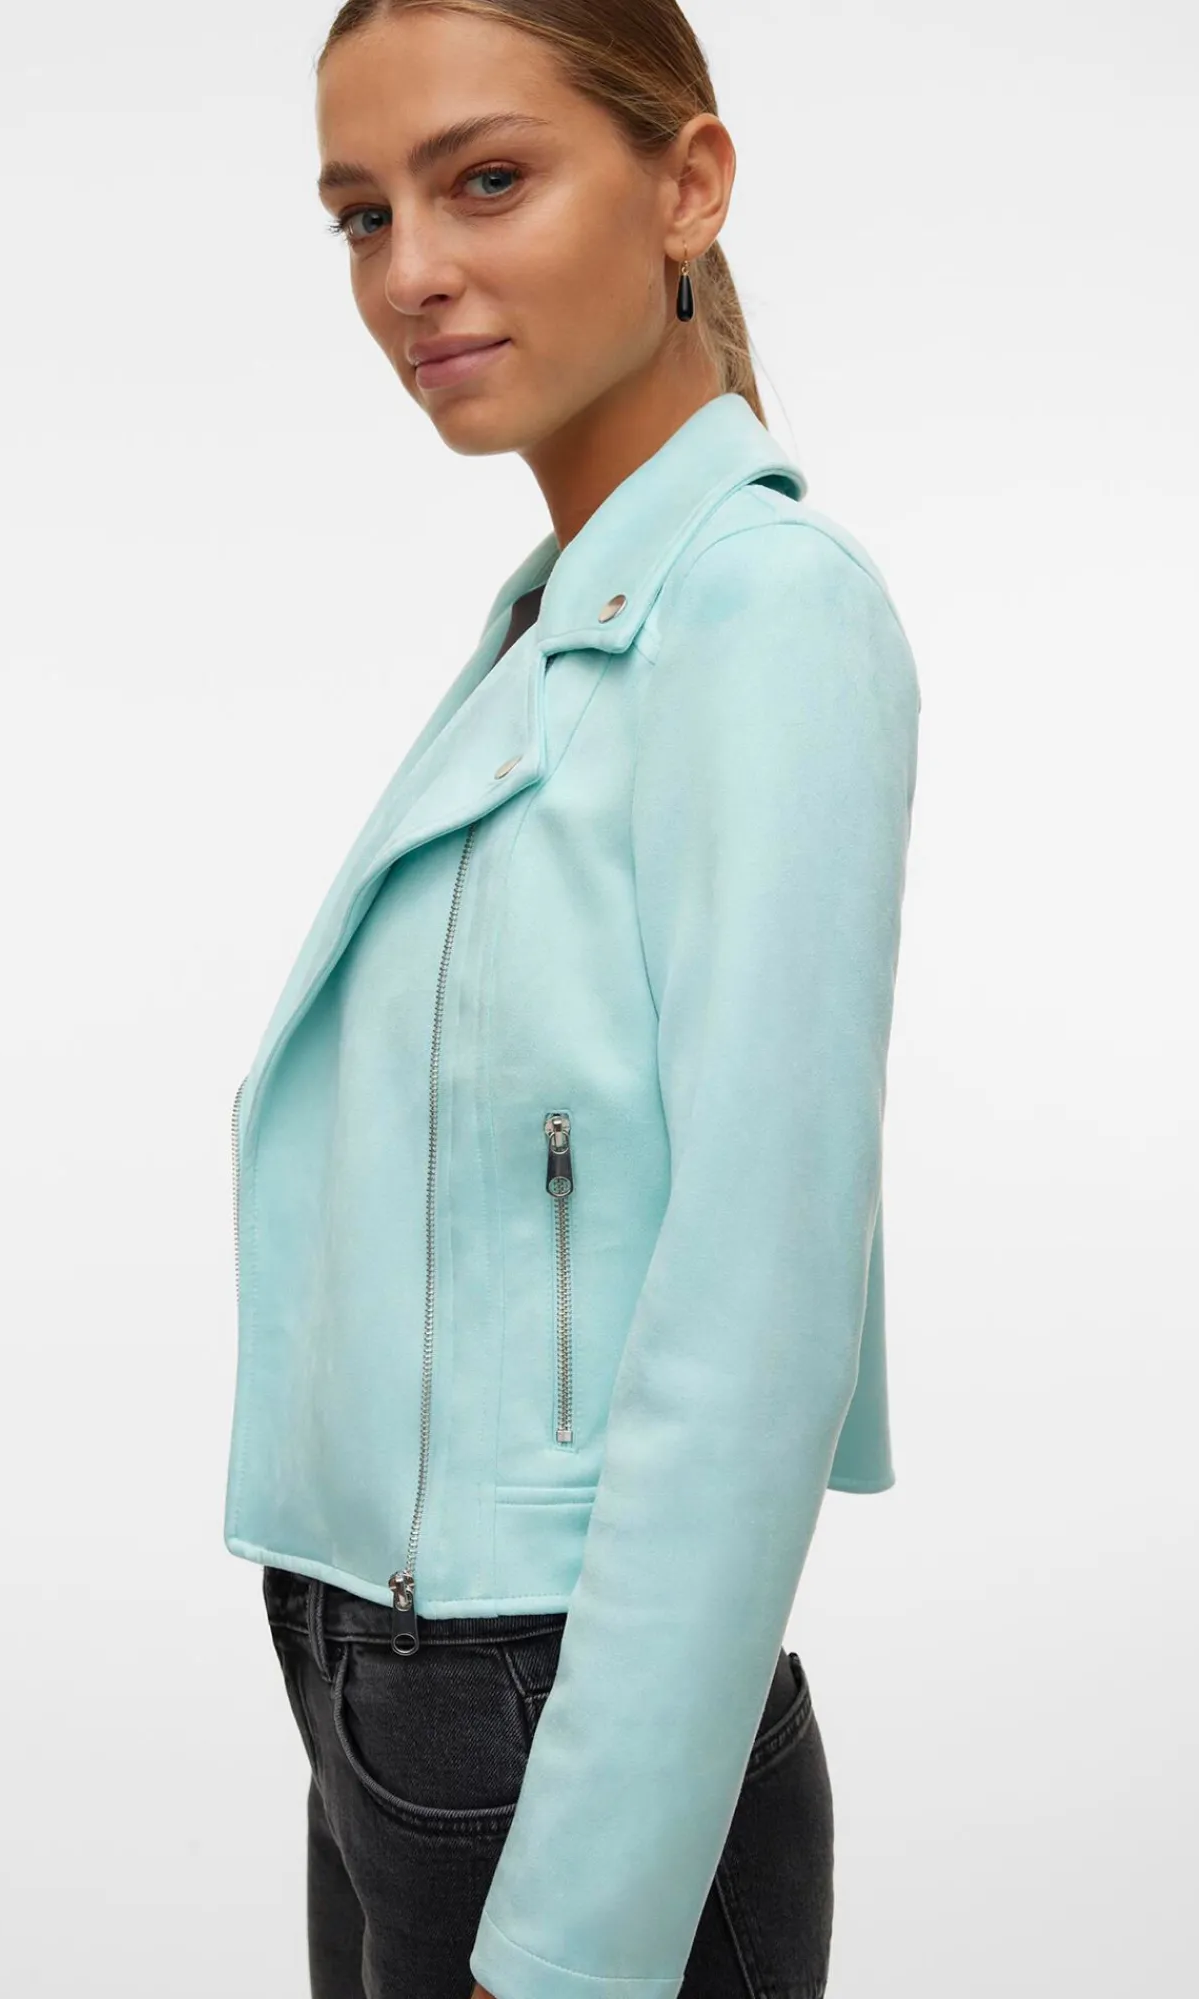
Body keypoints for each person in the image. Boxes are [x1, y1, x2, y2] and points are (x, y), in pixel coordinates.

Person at [223, 4, 921, 1997]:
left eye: (487, 180)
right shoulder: (562, 622)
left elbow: (761, 1307)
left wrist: (585, 1934)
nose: (410, 272)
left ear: (688, 184)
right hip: (396, 1678)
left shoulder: (760, 614)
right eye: (364, 213)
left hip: (554, 1711)